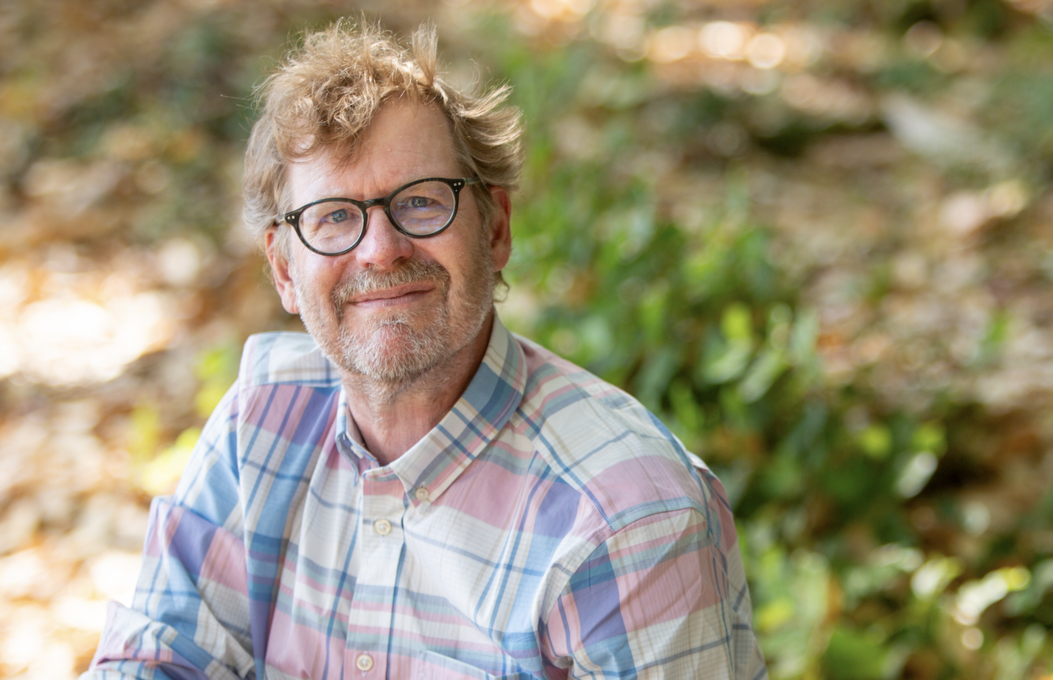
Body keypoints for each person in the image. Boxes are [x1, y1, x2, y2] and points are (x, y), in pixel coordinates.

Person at [84, 18, 767, 680]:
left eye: (420, 203)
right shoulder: (258, 428)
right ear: (285, 270)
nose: (380, 250)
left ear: (495, 229)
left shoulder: (624, 516)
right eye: (334, 217)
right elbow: (157, 660)